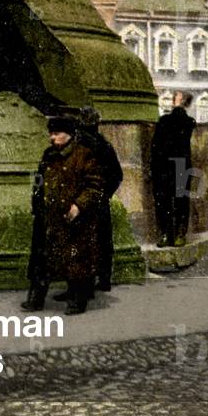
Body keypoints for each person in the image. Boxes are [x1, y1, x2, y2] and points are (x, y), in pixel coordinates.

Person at [22, 114, 104, 315]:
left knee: (76, 260)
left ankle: (77, 300)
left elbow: (95, 186)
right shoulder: (48, 154)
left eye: (56, 133)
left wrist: (78, 206)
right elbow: (39, 181)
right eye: (50, 133)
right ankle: (35, 299)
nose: (52, 137)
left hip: (73, 217)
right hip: (48, 215)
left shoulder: (84, 155)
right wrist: (36, 203)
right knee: (41, 260)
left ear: (69, 134)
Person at [78, 106, 123, 292]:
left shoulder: (78, 145)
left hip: (80, 200)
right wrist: (105, 194)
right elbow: (117, 174)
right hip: (99, 199)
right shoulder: (105, 145)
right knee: (103, 239)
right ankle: (104, 279)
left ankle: (82, 285)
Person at [150, 91, 196, 248]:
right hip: (181, 164)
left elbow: (155, 146)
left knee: (165, 201)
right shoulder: (188, 121)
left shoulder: (168, 120)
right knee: (180, 200)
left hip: (164, 165)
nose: (172, 100)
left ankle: (166, 234)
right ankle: (178, 235)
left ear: (181, 101)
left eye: (176, 97)